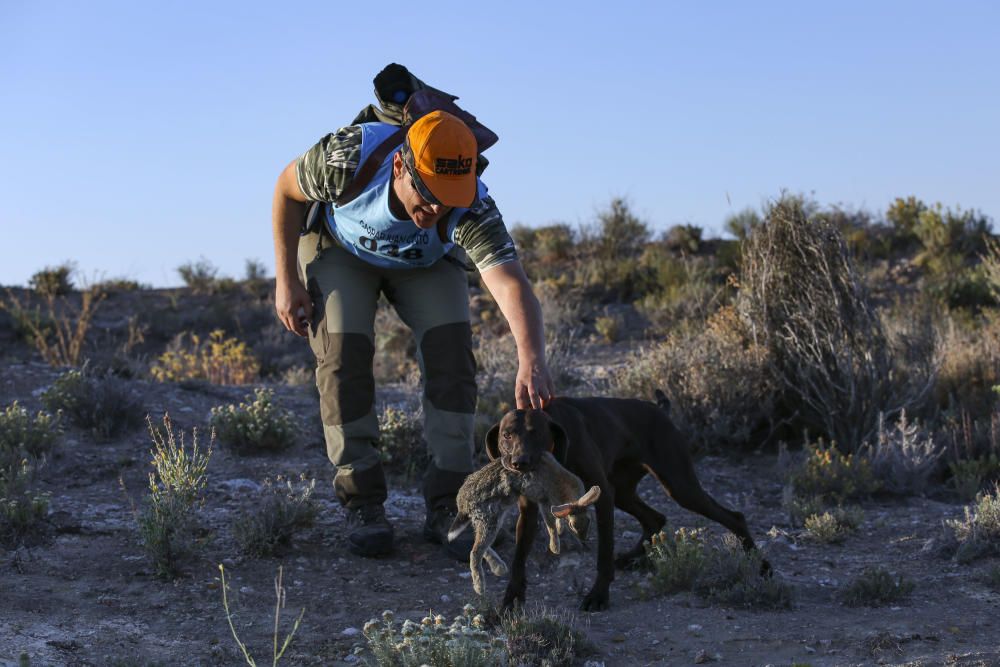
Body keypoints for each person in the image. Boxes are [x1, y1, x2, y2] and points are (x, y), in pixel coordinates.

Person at [271, 97, 554, 560]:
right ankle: (362, 503)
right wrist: (286, 280)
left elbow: (510, 282)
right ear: (401, 165)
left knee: (452, 362)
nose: (437, 207)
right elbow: (285, 190)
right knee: (343, 359)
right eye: (428, 192)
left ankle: (451, 504)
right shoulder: (350, 157)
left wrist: (532, 358)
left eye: (450, 198)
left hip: (424, 264)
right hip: (341, 251)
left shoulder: (472, 204)